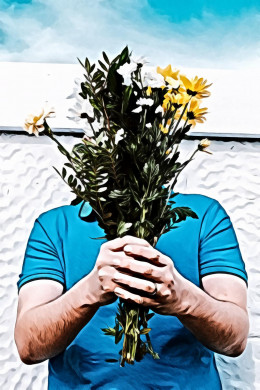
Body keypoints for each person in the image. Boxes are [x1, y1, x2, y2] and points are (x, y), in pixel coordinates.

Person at [14, 191, 249, 390]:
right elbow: (29, 346)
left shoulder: (204, 215)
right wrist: (89, 292)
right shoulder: (53, 226)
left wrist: (183, 299)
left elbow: (235, 338)